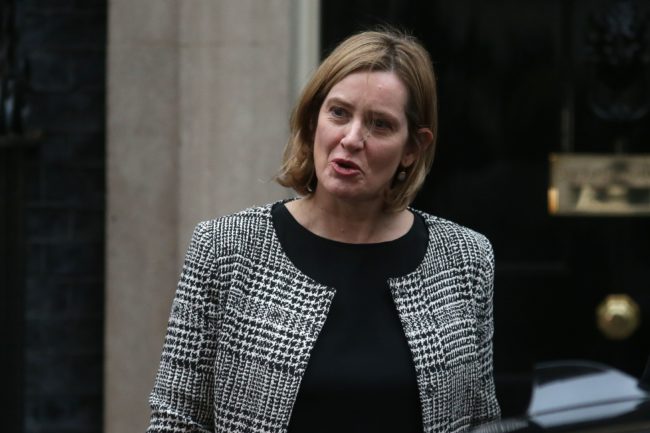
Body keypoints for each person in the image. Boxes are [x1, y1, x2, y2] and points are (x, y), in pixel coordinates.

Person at [147, 28, 500, 433]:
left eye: (380, 125)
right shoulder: (226, 248)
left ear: (413, 148)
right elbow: (177, 420)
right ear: (313, 119)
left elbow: (480, 421)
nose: (351, 139)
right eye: (339, 113)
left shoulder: (465, 258)